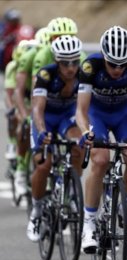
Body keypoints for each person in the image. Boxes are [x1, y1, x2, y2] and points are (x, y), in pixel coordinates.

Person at [76, 26, 127, 253]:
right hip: (96, 115)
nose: (118, 69)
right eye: (112, 64)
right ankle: (88, 224)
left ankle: (124, 205)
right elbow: (80, 109)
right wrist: (84, 131)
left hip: (123, 114)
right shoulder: (91, 66)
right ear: (104, 57)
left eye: (122, 64)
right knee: (99, 160)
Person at [27, 35, 83, 241]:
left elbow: (87, 107)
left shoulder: (83, 75)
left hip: (66, 116)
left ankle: (68, 188)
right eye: (66, 63)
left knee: (79, 146)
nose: (71, 67)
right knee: (43, 163)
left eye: (75, 61)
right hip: (46, 118)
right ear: (57, 62)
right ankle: (37, 211)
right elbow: (37, 109)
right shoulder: (45, 75)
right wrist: (42, 131)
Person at [13, 27, 50, 201]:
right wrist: (23, 114)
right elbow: (16, 92)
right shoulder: (28, 58)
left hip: (49, 98)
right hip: (29, 96)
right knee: (23, 125)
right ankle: (21, 168)